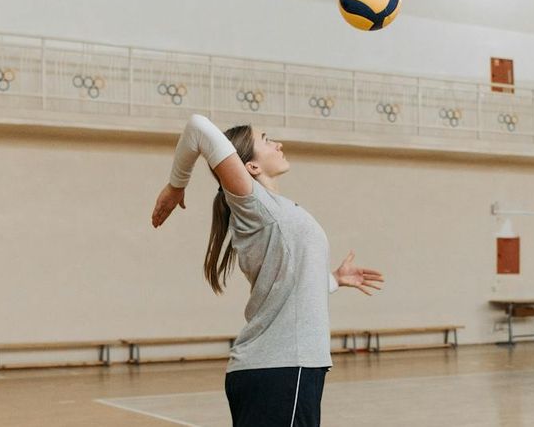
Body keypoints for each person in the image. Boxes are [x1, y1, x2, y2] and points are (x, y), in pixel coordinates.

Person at [151, 114, 384, 426]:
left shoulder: (275, 209)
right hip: (281, 370)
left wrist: (333, 280)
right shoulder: (253, 203)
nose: (278, 144)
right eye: (266, 139)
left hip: (286, 369)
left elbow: (287, 285)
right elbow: (197, 126)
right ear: (252, 167)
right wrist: (176, 185)